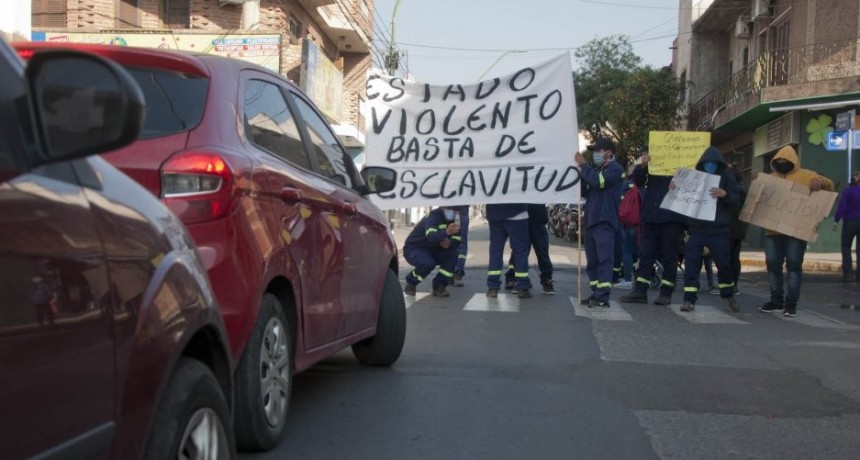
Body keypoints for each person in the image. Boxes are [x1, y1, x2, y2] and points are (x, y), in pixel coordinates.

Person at [760, 145, 834, 317]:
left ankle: (791, 304)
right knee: (772, 266)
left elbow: (829, 185)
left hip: (796, 231)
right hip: (772, 231)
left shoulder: (807, 175)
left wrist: (820, 182)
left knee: (793, 266)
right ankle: (776, 301)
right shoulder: (771, 177)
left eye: (785, 160)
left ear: (793, 161)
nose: (781, 162)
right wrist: (758, 180)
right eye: (778, 160)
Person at [673, 146, 740, 313]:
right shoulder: (694, 178)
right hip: (697, 229)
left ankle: (728, 294)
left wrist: (725, 195)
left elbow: (736, 202)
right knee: (691, 265)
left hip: (719, 230)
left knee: (724, 264)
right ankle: (689, 300)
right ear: (702, 164)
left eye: (713, 163)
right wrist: (674, 187)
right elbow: (682, 197)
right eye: (707, 163)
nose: (710, 166)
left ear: (719, 164)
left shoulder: (727, 177)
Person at [620, 152, 688, 306]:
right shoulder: (653, 163)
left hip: (672, 219)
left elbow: (692, 189)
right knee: (645, 255)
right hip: (651, 217)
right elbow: (638, 181)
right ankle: (640, 291)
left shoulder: (683, 166)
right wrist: (642, 166)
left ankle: (666, 293)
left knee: (669, 257)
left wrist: (680, 185)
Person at [575, 138, 624, 307]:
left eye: (598, 150)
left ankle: (603, 295)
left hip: (604, 220)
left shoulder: (615, 170)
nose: (595, 154)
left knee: (604, 259)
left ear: (608, 152)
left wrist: (584, 166)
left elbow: (599, 182)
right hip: (591, 219)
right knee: (593, 260)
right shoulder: (596, 170)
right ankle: (596, 292)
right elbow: (586, 190)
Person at [403, 206, 462, 297]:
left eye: (454, 209)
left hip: (434, 250)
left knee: (453, 253)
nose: (452, 211)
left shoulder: (456, 218)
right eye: (449, 209)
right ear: (442, 208)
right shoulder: (433, 216)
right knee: (428, 263)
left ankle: (439, 286)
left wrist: (450, 243)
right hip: (415, 248)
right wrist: (446, 232)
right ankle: (411, 283)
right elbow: (431, 237)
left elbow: (458, 239)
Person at [505, 204, 555, 295]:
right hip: (522, 219)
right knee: (520, 252)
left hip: (538, 220)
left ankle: (547, 280)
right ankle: (516, 279)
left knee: (542, 252)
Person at [486, 203, 532, 299]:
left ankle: (492, 287)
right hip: (517, 213)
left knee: (496, 250)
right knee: (520, 250)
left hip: (495, 213)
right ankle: (522, 287)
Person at [833, 170, 860, 282]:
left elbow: (842, 207)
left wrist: (836, 220)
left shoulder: (848, 191)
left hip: (850, 222)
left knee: (846, 246)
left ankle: (848, 273)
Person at [728, 163, 749, 293]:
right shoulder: (744, 191)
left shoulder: (730, 191)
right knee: (735, 257)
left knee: (726, 257)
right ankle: (734, 284)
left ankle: (728, 283)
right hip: (740, 228)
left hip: (728, 228)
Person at [452, 205, 470, 286]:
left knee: (451, 241)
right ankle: (457, 272)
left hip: (451, 210)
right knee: (460, 242)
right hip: (460, 212)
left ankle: (452, 272)